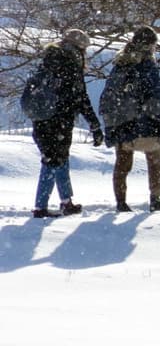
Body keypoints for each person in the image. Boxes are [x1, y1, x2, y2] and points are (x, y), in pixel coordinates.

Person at [27, 28, 102, 217]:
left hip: (41, 119)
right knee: (53, 161)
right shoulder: (70, 63)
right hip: (59, 120)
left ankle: (66, 201)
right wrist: (94, 124)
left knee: (58, 160)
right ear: (79, 48)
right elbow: (81, 97)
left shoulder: (47, 61)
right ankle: (41, 206)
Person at [99, 26, 160, 212]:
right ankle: (155, 200)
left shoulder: (120, 64)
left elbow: (108, 97)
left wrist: (112, 123)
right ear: (151, 45)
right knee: (154, 161)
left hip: (122, 123)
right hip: (145, 122)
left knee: (122, 165)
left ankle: (121, 202)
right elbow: (154, 96)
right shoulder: (149, 66)